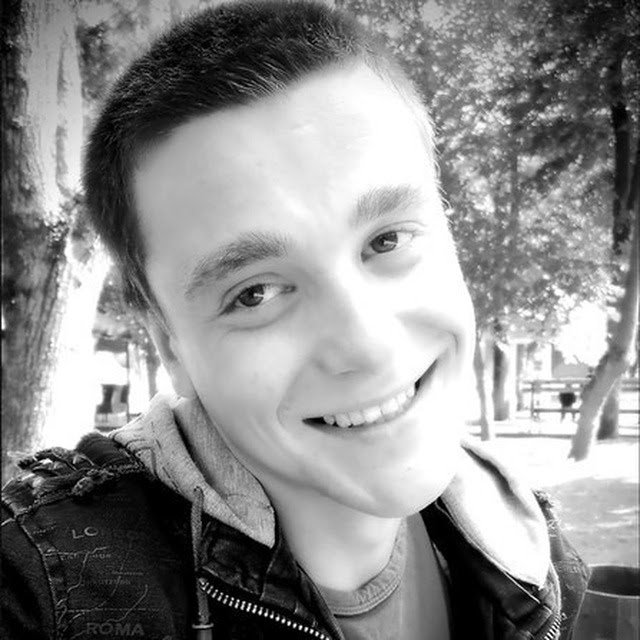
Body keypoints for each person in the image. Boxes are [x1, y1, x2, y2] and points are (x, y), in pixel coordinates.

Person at [1, 2, 589, 638]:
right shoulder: (39, 588)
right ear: (170, 345)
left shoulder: (534, 551)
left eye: (387, 241)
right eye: (255, 293)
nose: (369, 346)